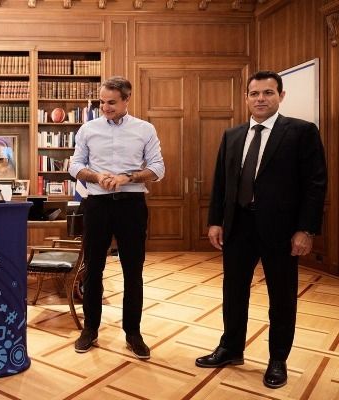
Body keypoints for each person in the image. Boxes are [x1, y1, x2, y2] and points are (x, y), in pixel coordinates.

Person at [195, 71, 327, 389]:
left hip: (282, 230)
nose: (261, 99)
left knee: (281, 297)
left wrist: (306, 230)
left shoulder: (301, 132)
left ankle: (277, 359)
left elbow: (315, 185)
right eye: (254, 93)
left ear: (281, 96)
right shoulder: (233, 135)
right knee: (233, 292)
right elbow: (222, 182)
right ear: (246, 97)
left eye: (268, 93)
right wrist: (215, 220)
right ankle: (231, 348)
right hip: (238, 226)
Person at [69, 76, 165, 358]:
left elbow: (158, 168)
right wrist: (96, 176)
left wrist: (127, 177)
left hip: (131, 206)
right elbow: (75, 165)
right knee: (93, 269)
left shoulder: (145, 129)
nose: (105, 107)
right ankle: (90, 329)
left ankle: (133, 333)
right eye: (102, 102)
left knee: (133, 271)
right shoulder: (88, 129)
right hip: (97, 205)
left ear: (126, 99)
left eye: (111, 102)